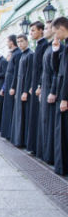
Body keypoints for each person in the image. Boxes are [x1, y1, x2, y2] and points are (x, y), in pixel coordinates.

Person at [37, 20, 61, 163]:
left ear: (53, 30)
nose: (44, 31)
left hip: (52, 90)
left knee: (51, 122)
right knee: (45, 121)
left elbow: (56, 72)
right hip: (45, 88)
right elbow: (44, 71)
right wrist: (40, 87)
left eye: (46, 29)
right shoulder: (48, 47)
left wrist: (52, 91)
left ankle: (51, 155)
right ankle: (46, 153)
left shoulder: (57, 48)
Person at [27, 21, 48, 154]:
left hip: (41, 84)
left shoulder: (44, 45)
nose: (31, 33)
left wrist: (39, 85)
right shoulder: (39, 45)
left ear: (41, 30)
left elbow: (43, 68)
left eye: (33, 30)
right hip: (35, 84)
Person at [51, 17, 68, 175]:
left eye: (56, 32)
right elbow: (57, 70)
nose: (56, 36)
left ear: (62, 29)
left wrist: (65, 98)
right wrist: (56, 50)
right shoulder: (64, 47)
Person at [10, 34, 33, 147]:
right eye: (18, 42)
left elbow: (29, 75)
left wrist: (25, 91)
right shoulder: (22, 55)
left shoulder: (30, 55)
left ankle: (23, 141)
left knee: (24, 115)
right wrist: (15, 88)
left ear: (27, 41)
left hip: (24, 89)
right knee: (18, 114)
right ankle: (18, 139)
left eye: (22, 41)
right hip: (19, 88)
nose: (20, 44)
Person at [0, 35, 22, 139]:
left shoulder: (17, 54)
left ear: (11, 42)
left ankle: (10, 133)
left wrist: (13, 86)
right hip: (9, 84)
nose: (6, 44)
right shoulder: (14, 54)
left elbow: (16, 72)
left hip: (13, 86)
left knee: (11, 108)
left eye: (7, 42)